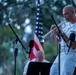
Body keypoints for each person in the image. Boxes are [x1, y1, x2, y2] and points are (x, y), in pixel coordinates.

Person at [50, 5, 76, 75]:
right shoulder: (65, 25)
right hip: (61, 54)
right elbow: (56, 43)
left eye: (66, 14)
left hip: (70, 55)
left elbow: (73, 45)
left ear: (73, 13)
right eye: (63, 14)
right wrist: (53, 33)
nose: (64, 16)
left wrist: (61, 33)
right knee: (53, 72)